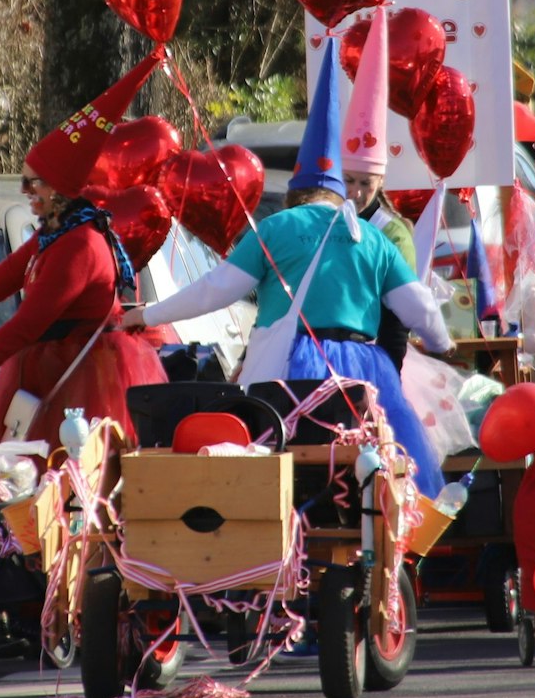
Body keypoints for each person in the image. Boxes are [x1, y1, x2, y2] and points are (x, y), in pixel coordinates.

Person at [126, 38, 455, 494]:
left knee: (277, 463)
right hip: (362, 371)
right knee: (367, 467)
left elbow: (213, 291)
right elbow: (417, 308)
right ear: (339, 188)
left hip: (289, 364)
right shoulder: (375, 237)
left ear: (298, 190)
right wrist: (444, 341)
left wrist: (146, 315)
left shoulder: (278, 227)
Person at [0, 53, 168, 454]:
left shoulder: (81, 244)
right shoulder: (57, 232)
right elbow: (6, 275)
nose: (25, 191)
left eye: (32, 183)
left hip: (79, 377)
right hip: (48, 366)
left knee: (60, 468)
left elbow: (32, 320)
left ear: (61, 189)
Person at [339, 6, 418, 371]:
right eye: (348, 181)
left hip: (377, 355)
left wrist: (390, 371)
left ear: (380, 181)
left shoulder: (393, 232)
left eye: (364, 183)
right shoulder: (327, 219)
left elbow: (400, 311)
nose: (354, 192)